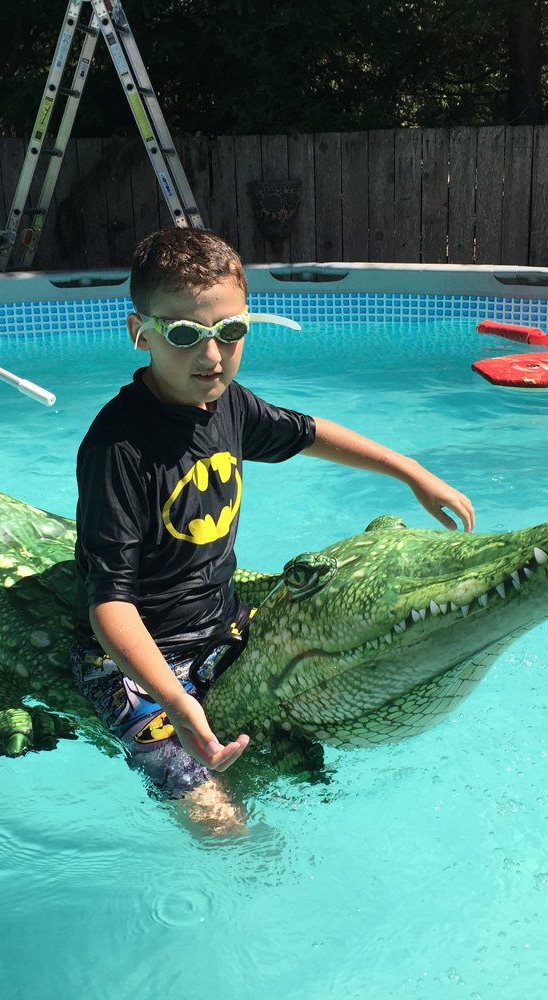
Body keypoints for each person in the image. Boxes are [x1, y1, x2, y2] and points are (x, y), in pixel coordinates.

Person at [71, 227, 475, 831]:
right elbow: (110, 606)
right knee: (214, 817)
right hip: (138, 662)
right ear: (141, 333)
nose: (212, 356)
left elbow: (308, 433)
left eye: (230, 331)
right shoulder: (118, 448)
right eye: (184, 335)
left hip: (225, 625)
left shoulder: (228, 403)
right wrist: (175, 700)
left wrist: (409, 471)